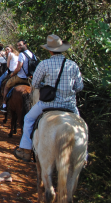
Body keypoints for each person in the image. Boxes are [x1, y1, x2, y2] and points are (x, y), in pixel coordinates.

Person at [14, 34, 84, 162]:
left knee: (28, 119)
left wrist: (45, 85)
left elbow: (34, 84)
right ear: (62, 49)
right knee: (81, 126)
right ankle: (83, 156)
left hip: (47, 103)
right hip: (69, 105)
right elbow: (79, 87)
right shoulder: (73, 65)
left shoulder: (44, 64)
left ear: (49, 50)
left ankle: (25, 150)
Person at [0, 40, 35, 112]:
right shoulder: (32, 54)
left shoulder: (22, 54)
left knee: (6, 85)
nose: (19, 47)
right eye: (18, 45)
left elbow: (18, 68)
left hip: (20, 77)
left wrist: (12, 74)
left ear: (25, 45)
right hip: (30, 79)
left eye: (20, 45)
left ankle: (4, 104)